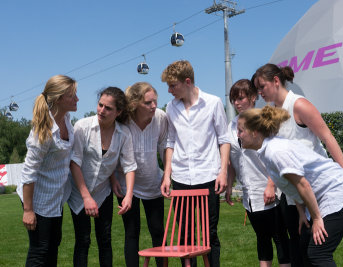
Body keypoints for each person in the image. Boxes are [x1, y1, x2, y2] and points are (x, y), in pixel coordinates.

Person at [252, 63, 343, 266]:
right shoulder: (272, 113)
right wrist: (272, 184)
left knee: (316, 251)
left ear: (276, 81)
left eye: (262, 86)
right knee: (298, 250)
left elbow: (327, 137)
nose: (259, 92)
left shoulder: (299, 105)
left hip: (316, 189)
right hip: (294, 196)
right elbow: (275, 157)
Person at [237, 106, 343, 267]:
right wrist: (302, 213)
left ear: (254, 132)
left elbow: (303, 184)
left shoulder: (275, 152)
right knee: (302, 250)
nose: (238, 135)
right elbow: (292, 186)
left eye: (240, 131)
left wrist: (316, 218)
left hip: (339, 192)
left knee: (318, 253)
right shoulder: (268, 150)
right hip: (321, 197)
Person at [160, 60, 230, 267]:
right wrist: (167, 175)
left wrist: (223, 172)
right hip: (181, 178)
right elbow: (170, 142)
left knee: (210, 235)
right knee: (185, 237)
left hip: (208, 176)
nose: (169, 90)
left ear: (187, 82)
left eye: (173, 85)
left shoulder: (213, 102)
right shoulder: (170, 107)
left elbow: (224, 139)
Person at [68, 87, 136, 267]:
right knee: (83, 240)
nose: (101, 110)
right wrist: (86, 197)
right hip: (79, 192)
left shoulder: (124, 133)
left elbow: (129, 166)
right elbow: (74, 163)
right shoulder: (82, 126)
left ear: (118, 112)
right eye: (100, 105)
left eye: (108, 108)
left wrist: (128, 195)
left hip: (103, 192)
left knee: (105, 240)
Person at [225, 79, 290, 267]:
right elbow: (232, 160)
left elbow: (276, 155)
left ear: (253, 97)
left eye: (241, 98)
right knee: (262, 238)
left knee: (280, 237)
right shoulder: (231, 125)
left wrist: (271, 184)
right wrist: (229, 185)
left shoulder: (263, 120)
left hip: (270, 191)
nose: (237, 103)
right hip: (249, 194)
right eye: (233, 100)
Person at [17, 75, 78, 266]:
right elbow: (29, 173)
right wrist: (28, 210)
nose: (77, 99)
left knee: (53, 247)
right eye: (73, 95)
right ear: (59, 99)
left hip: (55, 200)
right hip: (38, 201)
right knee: (39, 251)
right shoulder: (42, 132)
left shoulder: (67, 120)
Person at [112, 82, 168, 267]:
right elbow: (111, 152)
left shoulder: (160, 117)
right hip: (127, 187)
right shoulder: (123, 121)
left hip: (153, 183)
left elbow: (164, 148)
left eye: (155, 101)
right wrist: (113, 178)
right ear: (135, 104)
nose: (154, 106)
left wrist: (166, 175)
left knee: (158, 231)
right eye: (148, 103)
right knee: (131, 232)